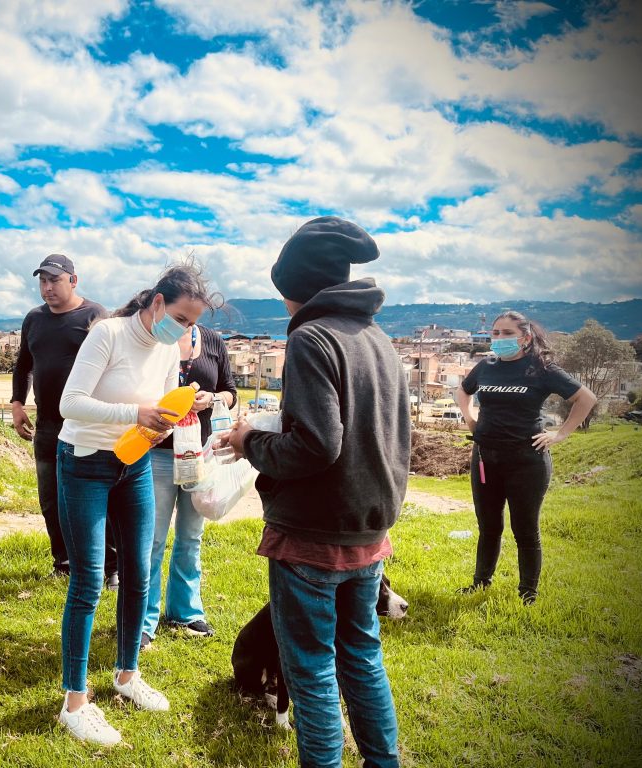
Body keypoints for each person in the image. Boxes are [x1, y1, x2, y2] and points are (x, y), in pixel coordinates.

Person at [221, 217, 410, 768]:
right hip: (369, 531)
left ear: (291, 287)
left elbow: (317, 446)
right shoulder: (377, 338)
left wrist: (250, 441)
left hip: (313, 537)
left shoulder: (310, 337)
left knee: (310, 668)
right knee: (363, 657)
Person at [55, 261, 215, 746]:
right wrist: (136, 412)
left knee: (141, 571)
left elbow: (162, 401)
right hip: (85, 460)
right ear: (158, 303)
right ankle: (75, 702)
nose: (186, 332)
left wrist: (173, 413)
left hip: (136, 460)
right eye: (183, 320)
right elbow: (70, 402)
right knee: (88, 580)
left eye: (193, 325)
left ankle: (127, 675)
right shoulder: (107, 334)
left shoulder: (167, 346)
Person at [456, 310, 596, 604]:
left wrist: (560, 434)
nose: (499, 339)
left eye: (507, 333)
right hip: (485, 458)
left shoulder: (541, 368)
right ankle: (481, 583)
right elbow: (463, 392)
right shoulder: (487, 366)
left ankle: (527, 593)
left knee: (525, 529)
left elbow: (586, 399)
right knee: (489, 526)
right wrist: (470, 419)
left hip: (526, 461)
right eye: (495, 333)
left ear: (526, 338)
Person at [10, 254, 117, 585]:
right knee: (51, 499)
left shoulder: (96, 315)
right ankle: (64, 563)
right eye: (42, 281)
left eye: (54, 280)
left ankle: (109, 567)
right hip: (47, 426)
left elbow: (113, 366)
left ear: (73, 280)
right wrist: (17, 403)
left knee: (98, 499)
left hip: (88, 426)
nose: (47, 288)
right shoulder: (34, 319)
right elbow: (23, 364)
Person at [141, 321, 236, 649]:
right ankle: (143, 619)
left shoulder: (212, 340)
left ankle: (185, 611)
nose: (188, 318)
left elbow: (231, 392)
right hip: (159, 454)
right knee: (151, 540)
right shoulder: (154, 340)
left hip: (200, 453)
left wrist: (211, 398)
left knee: (190, 537)